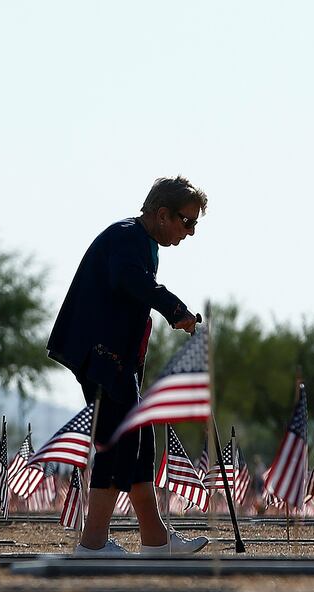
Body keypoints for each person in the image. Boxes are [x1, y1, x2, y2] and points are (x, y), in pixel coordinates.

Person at [47, 175, 210, 556]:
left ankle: (156, 541)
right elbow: (130, 281)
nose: (190, 232)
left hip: (120, 360)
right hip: (103, 357)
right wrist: (175, 308)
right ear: (163, 214)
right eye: (187, 222)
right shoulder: (127, 238)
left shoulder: (144, 242)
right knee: (116, 441)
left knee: (138, 443)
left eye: (195, 224)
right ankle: (92, 544)